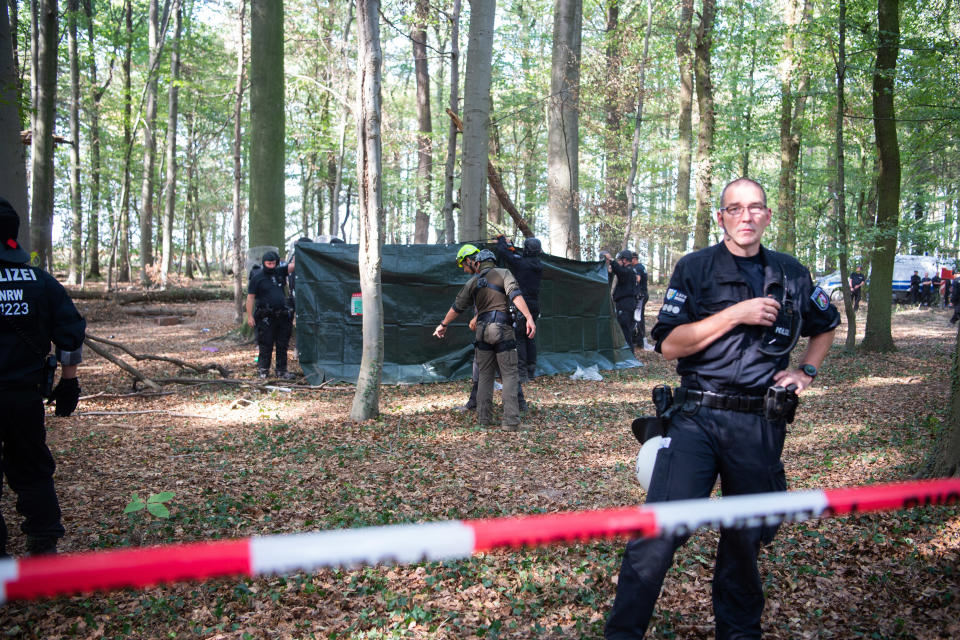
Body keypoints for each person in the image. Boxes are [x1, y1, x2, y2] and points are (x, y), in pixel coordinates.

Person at [605, 178, 839, 639]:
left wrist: (805, 373)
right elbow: (669, 345)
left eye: (755, 208)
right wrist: (736, 313)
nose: (746, 217)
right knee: (657, 536)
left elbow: (825, 324)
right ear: (721, 218)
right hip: (696, 418)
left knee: (744, 542)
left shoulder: (792, 273)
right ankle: (622, 634)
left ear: (767, 215)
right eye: (735, 209)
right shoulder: (695, 268)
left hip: (759, 424)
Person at [0, 198, 86, 557]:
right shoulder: (40, 281)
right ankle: (43, 538)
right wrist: (69, 381)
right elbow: (69, 330)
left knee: (31, 465)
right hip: (25, 396)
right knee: (32, 466)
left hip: (23, 391)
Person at [434, 245, 536, 432]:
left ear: (478, 263)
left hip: (481, 333)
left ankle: (483, 419)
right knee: (509, 375)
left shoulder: (473, 282)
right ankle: (511, 422)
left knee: (485, 377)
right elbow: (515, 295)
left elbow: (456, 307)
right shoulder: (503, 273)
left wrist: (443, 325)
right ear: (493, 263)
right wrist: (529, 317)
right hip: (502, 330)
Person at [495, 235, 543, 381]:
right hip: (534, 305)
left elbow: (504, 253)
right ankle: (530, 372)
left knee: (520, 337)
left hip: (522, 304)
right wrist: (511, 246)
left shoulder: (522, 263)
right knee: (530, 337)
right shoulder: (538, 265)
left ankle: (522, 374)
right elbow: (514, 255)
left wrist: (502, 240)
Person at [246, 251, 296, 379]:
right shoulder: (257, 277)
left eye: (273, 263)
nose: (271, 266)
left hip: (282, 316)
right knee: (265, 345)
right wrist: (250, 316)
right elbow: (250, 298)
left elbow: (292, 266)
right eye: (268, 263)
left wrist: (298, 251)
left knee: (282, 344)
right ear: (264, 263)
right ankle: (263, 370)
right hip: (265, 317)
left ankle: (281, 371)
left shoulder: (279, 272)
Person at [605, 249, 639, 351]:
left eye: (619, 260)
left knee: (625, 329)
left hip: (626, 304)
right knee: (624, 328)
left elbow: (621, 271)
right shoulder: (628, 271)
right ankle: (627, 351)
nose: (618, 262)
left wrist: (611, 260)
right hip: (625, 303)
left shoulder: (629, 270)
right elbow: (619, 273)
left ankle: (629, 353)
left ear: (624, 260)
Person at [630, 252, 649, 348]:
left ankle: (641, 340)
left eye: (630, 259)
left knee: (638, 317)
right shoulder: (641, 267)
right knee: (637, 316)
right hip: (643, 294)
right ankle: (636, 338)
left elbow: (637, 279)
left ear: (634, 259)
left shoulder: (637, 268)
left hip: (640, 295)